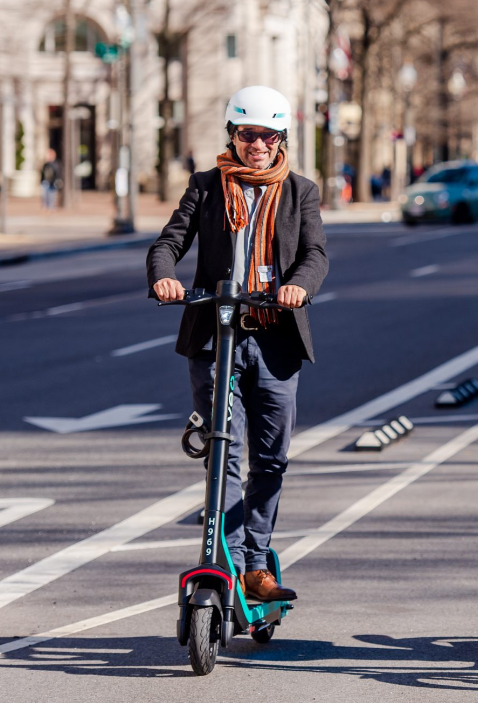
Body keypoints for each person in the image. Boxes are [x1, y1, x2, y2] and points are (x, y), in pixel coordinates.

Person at [147, 86, 329, 603]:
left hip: (275, 341)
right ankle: (223, 560)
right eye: (248, 135)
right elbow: (169, 243)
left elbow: (315, 254)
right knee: (222, 453)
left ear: (281, 140)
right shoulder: (205, 187)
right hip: (216, 337)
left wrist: (299, 286)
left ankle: (255, 563)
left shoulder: (300, 191)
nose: (258, 145)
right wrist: (165, 278)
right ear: (233, 135)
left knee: (270, 459)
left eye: (268, 136)